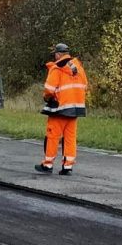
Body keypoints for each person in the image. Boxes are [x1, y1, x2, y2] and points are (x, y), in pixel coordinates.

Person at [35, 43, 88, 175]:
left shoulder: (57, 68)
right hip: (75, 108)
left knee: (52, 136)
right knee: (70, 138)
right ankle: (68, 167)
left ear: (58, 54)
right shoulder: (78, 67)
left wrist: (47, 98)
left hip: (59, 109)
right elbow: (84, 85)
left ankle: (47, 165)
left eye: (55, 54)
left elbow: (49, 89)